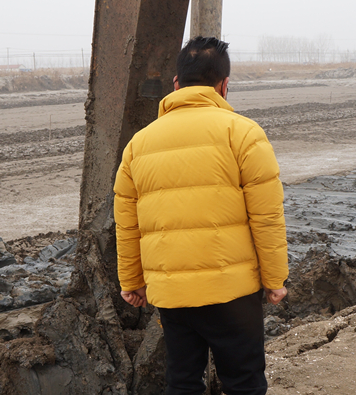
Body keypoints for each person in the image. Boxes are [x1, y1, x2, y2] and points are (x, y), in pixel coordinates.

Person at [114, 36, 288, 395]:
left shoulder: (138, 145)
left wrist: (131, 280)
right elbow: (267, 215)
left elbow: (127, 223)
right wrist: (275, 279)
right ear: (224, 85)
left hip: (172, 294)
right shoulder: (244, 134)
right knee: (244, 382)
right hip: (232, 294)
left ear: (176, 84)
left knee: (182, 381)